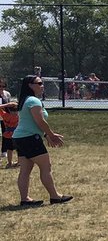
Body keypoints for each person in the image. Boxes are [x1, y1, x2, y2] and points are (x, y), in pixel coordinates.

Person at [13, 75, 71, 207]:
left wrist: (45, 135)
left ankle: (25, 199)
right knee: (46, 167)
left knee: (25, 170)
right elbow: (39, 121)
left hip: (19, 138)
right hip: (30, 138)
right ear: (30, 85)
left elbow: (31, 122)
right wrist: (51, 135)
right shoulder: (33, 101)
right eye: (39, 83)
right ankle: (55, 196)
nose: (42, 85)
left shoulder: (25, 100)